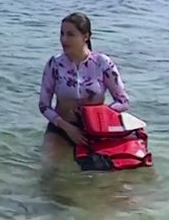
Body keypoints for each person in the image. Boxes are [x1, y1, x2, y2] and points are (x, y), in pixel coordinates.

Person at [38, 12, 130, 163]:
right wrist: (67, 127)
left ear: (85, 36)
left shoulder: (102, 63)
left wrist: (98, 115)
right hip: (62, 128)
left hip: (96, 131)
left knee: (97, 176)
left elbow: (123, 101)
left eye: (70, 34)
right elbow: (43, 106)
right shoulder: (54, 64)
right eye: (62, 34)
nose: (64, 39)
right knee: (49, 169)